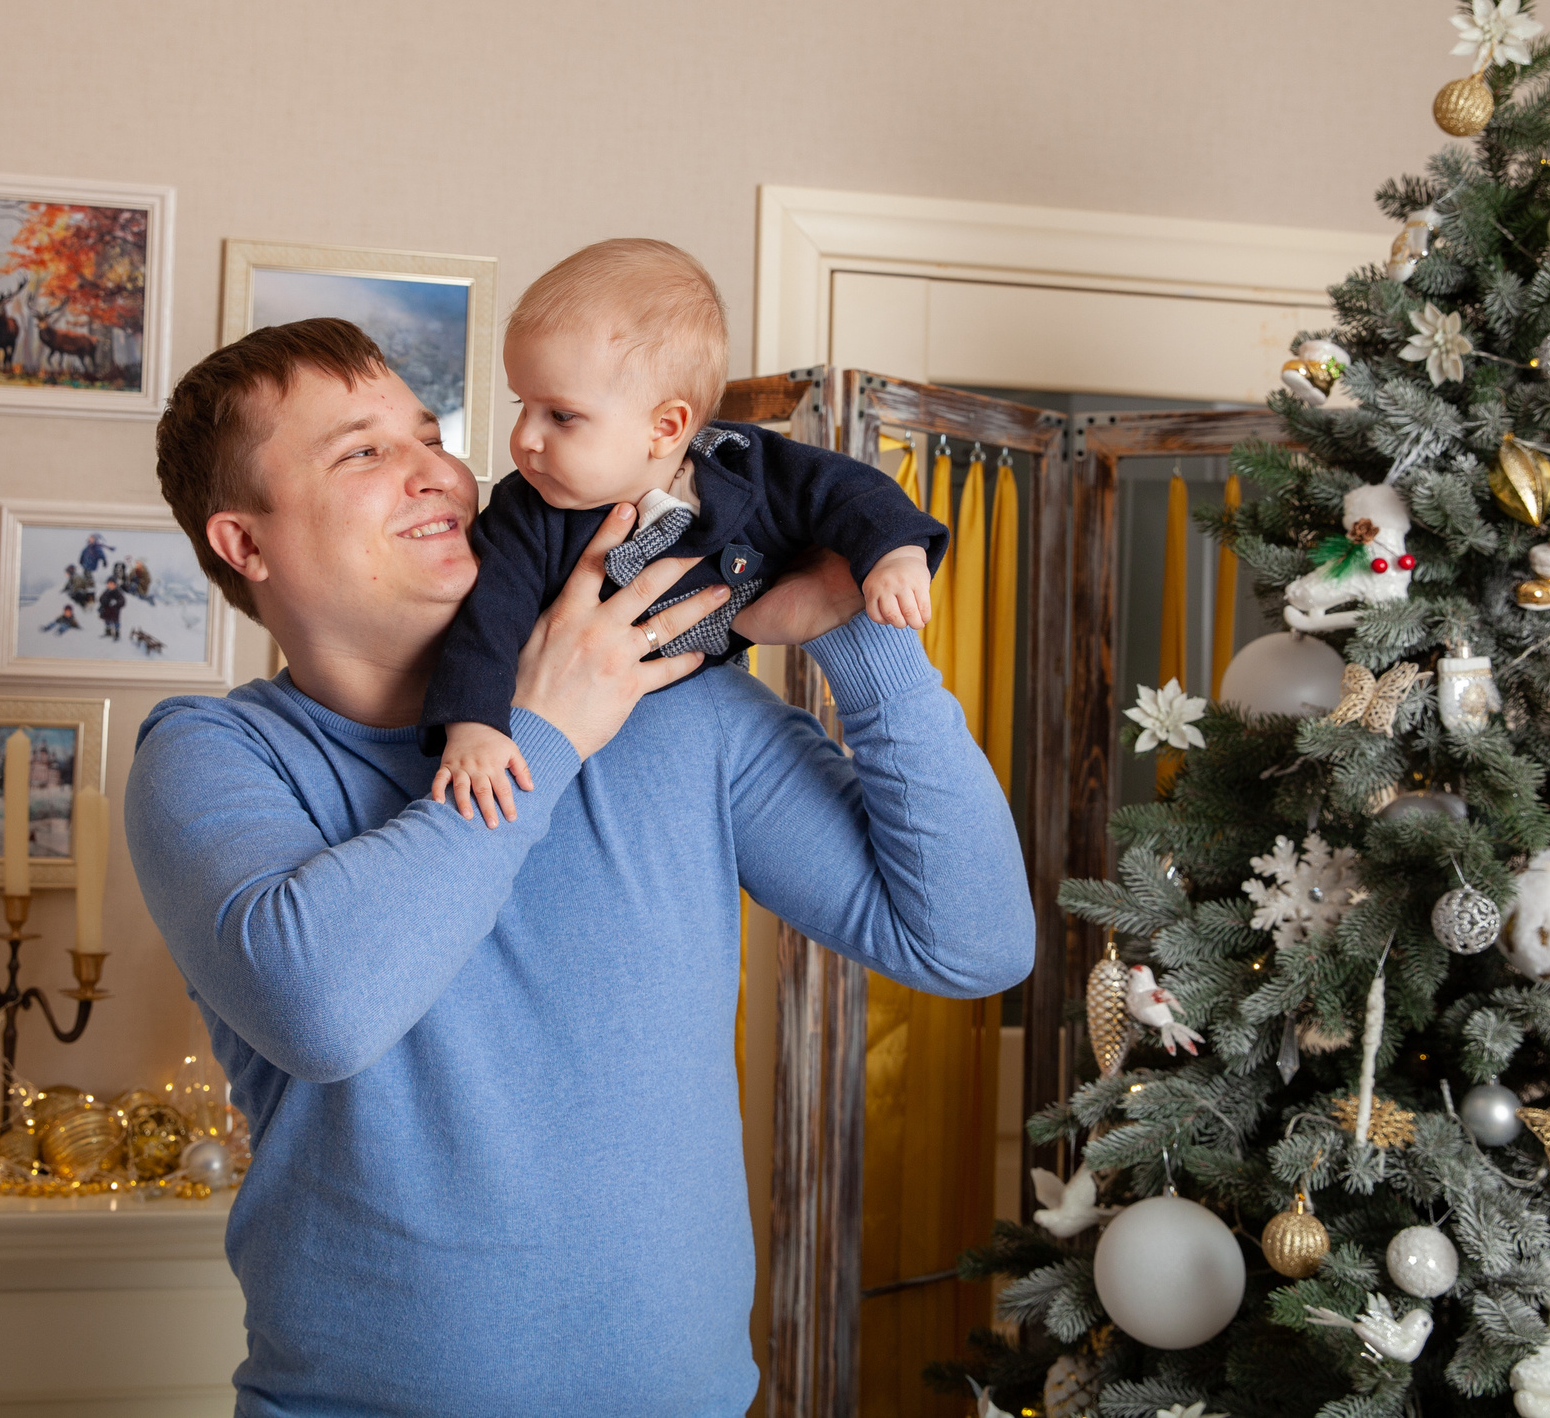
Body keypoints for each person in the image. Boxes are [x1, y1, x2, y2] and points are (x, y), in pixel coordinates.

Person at [125, 317, 1031, 1417]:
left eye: (431, 434)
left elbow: (971, 942)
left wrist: (859, 637)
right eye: (362, 452)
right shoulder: (214, 756)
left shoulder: (674, 706)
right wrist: (544, 729)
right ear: (245, 544)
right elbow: (324, 1010)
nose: (442, 474)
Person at [423, 238, 944, 823]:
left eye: (561, 416)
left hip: (702, 721)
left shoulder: (743, 465)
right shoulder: (525, 513)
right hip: (567, 747)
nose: (525, 438)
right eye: (523, 406)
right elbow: (487, 623)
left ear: (665, 428)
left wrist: (896, 556)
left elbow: (850, 492)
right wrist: (473, 728)